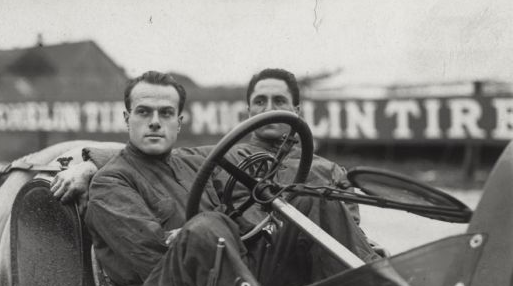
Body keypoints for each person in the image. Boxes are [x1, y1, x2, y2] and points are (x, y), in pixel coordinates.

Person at [81, 71, 378, 286]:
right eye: (144, 112)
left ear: (179, 122)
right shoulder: (111, 182)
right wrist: (84, 166)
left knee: (311, 200)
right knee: (207, 227)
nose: (155, 121)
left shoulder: (194, 161)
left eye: (166, 113)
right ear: (127, 118)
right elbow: (151, 258)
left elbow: (240, 157)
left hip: (231, 276)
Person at [52, 68, 360, 224]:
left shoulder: (330, 171)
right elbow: (153, 155)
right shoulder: (227, 156)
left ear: (296, 111)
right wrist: (89, 166)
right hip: (259, 273)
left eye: (278, 101)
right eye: (260, 102)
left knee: (322, 204)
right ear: (249, 112)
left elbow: (352, 234)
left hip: (321, 275)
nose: (268, 109)